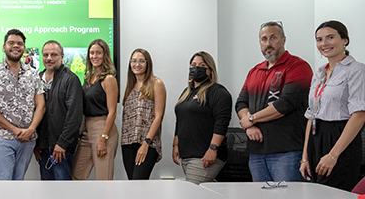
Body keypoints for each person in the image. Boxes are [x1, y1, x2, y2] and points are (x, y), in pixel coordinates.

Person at [236, 21, 312, 182]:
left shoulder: (298, 67)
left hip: (287, 153)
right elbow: (241, 103)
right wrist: (250, 126)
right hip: (256, 153)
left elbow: (284, 105)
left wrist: (250, 119)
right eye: (264, 39)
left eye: (273, 38)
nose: (268, 43)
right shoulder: (254, 71)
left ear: (283, 40)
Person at [300, 21, 365, 191]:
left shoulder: (356, 70)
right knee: (315, 192)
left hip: (340, 138)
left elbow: (359, 115)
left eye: (330, 37)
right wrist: (305, 157)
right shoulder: (319, 73)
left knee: (335, 192)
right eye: (319, 39)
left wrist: (333, 155)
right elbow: (311, 116)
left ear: (345, 40)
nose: (324, 44)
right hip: (316, 137)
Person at [0, 29, 45, 180]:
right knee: (4, 181)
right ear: (4, 47)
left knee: (19, 180)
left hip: (28, 139)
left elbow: (41, 105)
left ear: (24, 47)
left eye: (19, 44)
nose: (15, 46)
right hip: (4, 138)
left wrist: (31, 129)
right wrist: (15, 130)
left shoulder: (33, 73)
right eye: (11, 43)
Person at [172, 51, 232, 184]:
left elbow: (221, 123)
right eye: (193, 65)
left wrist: (213, 148)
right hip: (187, 155)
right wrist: (175, 145)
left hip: (205, 156)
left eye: (201, 65)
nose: (196, 68)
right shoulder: (186, 93)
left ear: (210, 70)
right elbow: (180, 120)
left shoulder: (218, 92)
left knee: (192, 194)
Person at [34, 40, 83, 180]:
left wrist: (62, 143)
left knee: (63, 191)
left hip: (62, 149)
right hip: (42, 148)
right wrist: (36, 143)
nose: (49, 58)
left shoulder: (71, 79)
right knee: (46, 189)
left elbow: (75, 115)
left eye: (54, 55)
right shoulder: (37, 79)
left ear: (62, 57)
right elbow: (33, 112)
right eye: (46, 55)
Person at [72, 39, 119, 180]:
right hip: (86, 130)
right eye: (92, 53)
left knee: (103, 179)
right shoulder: (87, 78)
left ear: (105, 55)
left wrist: (103, 138)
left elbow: (112, 112)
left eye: (98, 53)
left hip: (103, 129)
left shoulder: (109, 79)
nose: (95, 56)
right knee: (76, 175)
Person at [120, 48, 166, 180]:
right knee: (133, 185)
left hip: (147, 143)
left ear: (148, 64)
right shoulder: (130, 86)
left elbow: (159, 117)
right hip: (127, 144)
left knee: (139, 182)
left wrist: (146, 143)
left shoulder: (156, 84)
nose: (137, 64)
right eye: (134, 61)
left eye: (141, 61)